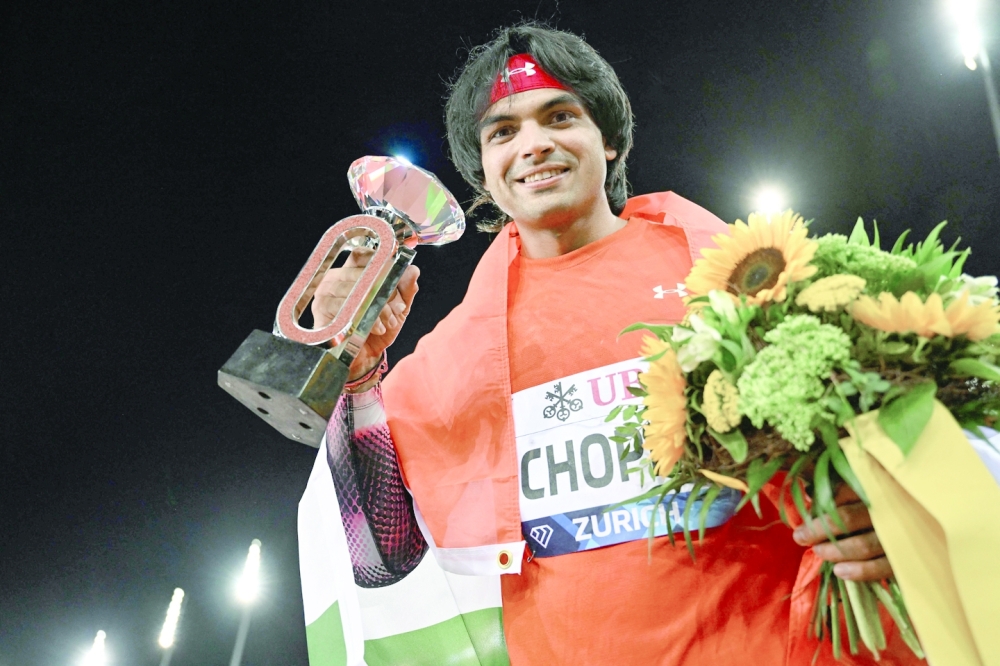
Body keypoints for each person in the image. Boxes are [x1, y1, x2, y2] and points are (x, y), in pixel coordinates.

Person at [308, 23, 920, 665]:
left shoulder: (734, 271)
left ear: (609, 139)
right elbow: (379, 556)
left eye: (560, 115)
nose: (534, 145)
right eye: (503, 132)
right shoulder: (459, 352)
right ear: (483, 173)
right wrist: (356, 369)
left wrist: (890, 519)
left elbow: (886, 441)